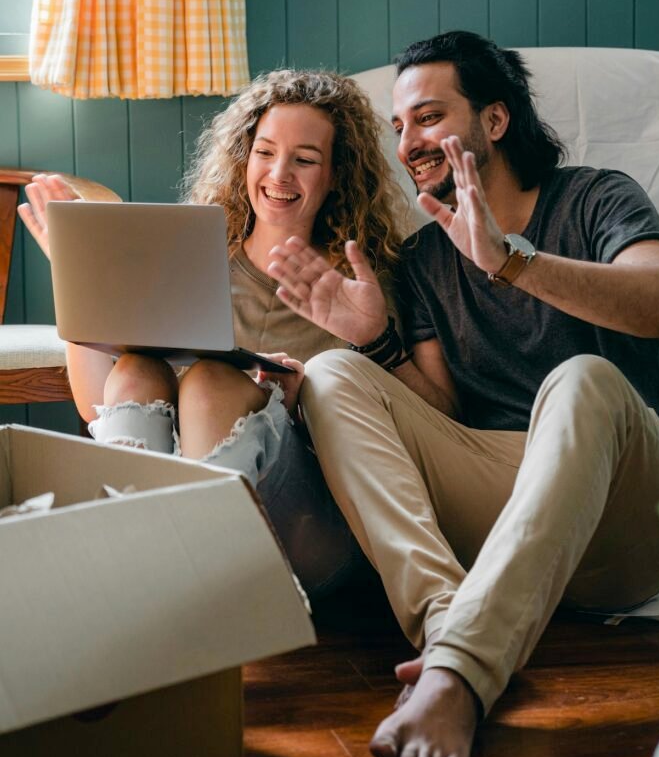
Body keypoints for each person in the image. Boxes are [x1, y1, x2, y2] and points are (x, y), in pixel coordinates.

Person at [266, 30, 659, 757]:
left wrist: (511, 261)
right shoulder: (424, 259)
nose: (409, 142)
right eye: (399, 128)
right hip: (503, 494)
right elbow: (444, 415)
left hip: (625, 515)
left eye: (427, 117)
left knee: (581, 377)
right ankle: (445, 627)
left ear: (494, 121)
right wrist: (378, 343)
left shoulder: (595, 197)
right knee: (332, 372)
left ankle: (462, 673)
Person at [18, 68, 408, 598]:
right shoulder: (194, 260)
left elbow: (398, 433)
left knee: (209, 383)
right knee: (136, 367)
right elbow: (96, 409)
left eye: (305, 159)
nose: (279, 173)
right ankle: (154, 583)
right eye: (265, 152)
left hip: (312, 530)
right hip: (182, 535)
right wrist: (76, 280)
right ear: (244, 157)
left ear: (337, 173)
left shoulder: (362, 283)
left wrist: (305, 399)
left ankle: (158, 588)